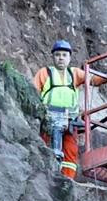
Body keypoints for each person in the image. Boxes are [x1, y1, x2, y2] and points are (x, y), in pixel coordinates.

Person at [31, 38, 88, 177]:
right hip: (49, 117)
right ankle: (44, 175)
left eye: (64, 55)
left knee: (70, 151)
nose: (61, 58)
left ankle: (67, 181)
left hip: (69, 120)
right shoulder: (45, 73)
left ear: (69, 57)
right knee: (46, 146)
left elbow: (93, 79)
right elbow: (32, 91)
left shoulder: (74, 73)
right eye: (57, 55)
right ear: (53, 57)